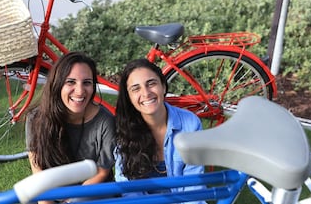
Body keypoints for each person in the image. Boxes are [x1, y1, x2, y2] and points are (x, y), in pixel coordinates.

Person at [25, 52, 116, 204]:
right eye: (71, 82)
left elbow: (101, 172)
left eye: (87, 82)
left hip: (93, 191)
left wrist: (72, 201)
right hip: (51, 192)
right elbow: (37, 167)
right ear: (57, 84)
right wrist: (46, 201)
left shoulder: (105, 121)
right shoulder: (36, 118)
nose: (80, 91)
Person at [114, 58, 206, 203]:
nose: (146, 93)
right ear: (129, 97)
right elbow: (127, 188)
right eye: (136, 88)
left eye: (151, 83)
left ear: (163, 87)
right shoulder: (124, 128)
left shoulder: (190, 124)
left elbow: (194, 186)